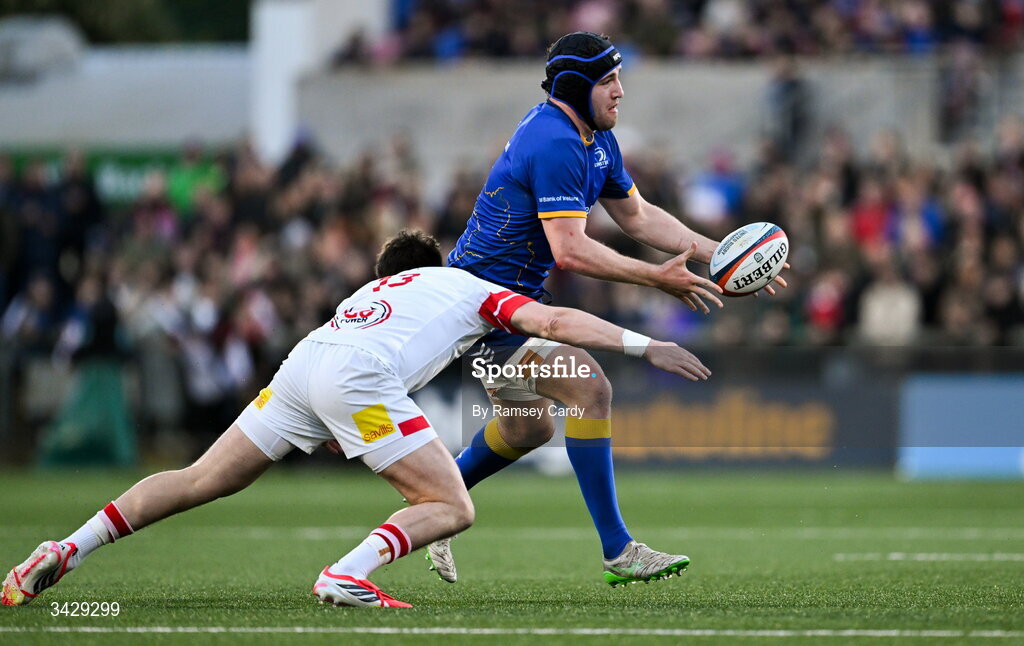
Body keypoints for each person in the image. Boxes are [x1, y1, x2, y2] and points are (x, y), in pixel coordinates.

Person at [3, 230, 711, 609]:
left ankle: (67, 548)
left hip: (305, 361)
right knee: (448, 505)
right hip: (357, 377)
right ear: (437, 262)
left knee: (198, 478)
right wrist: (645, 344)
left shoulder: (375, 289)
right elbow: (551, 317)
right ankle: (347, 572)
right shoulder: (468, 285)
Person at [440, 31, 787, 586]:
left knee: (527, 430)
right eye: (609, 81)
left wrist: (721, 254)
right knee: (590, 387)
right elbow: (570, 250)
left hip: (513, 301)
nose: (621, 92)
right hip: (481, 304)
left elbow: (640, 218)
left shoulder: (595, 138)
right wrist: (657, 278)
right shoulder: (553, 141)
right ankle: (618, 548)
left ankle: (437, 505)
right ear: (577, 88)